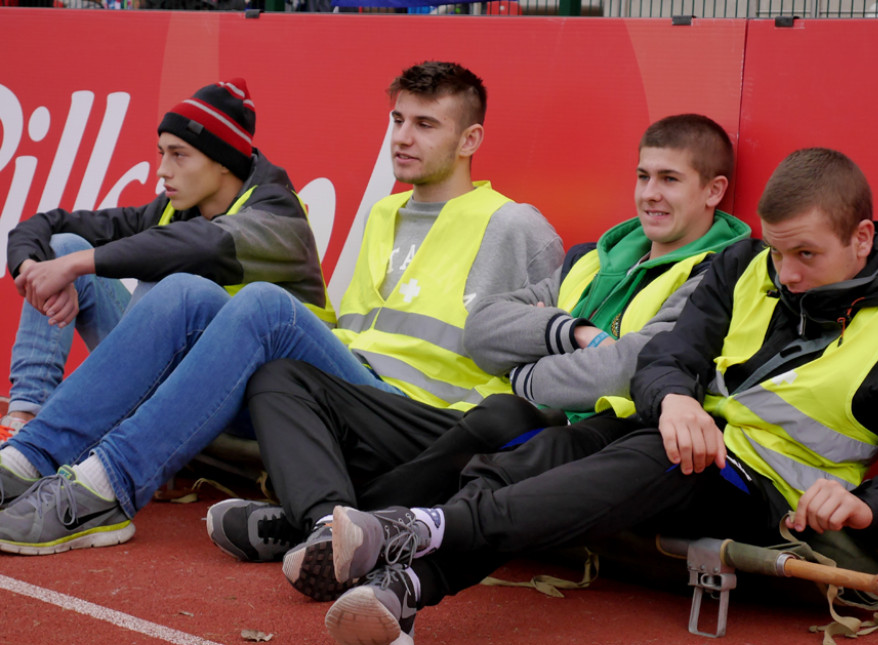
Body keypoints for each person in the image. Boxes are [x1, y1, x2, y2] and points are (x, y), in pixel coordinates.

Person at [315, 148, 878, 645]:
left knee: (663, 453)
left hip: (773, 501)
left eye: (807, 254)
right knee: (550, 447)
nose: (787, 273)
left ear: (861, 238)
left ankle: (413, 529)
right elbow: (664, 358)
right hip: (689, 449)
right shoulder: (744, 261)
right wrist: (677, 398)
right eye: (778, 251)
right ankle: (406, 587)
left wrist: (867, 506)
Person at [0, 61, 562, 555]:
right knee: (187, 291)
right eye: (398, 120)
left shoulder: (514, 224)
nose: (403, 138)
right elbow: (357, 330)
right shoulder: (384, 215)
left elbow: (548, 346)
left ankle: (106, 488)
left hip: (425, 418)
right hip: (346, 395)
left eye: (425, 124)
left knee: (265, 304)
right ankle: (29, 458)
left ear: (470, 140)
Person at [203, 114, 750, 604]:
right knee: (283, 377)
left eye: (670, 180)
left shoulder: (715, 276)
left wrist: (526, 369)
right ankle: (326, 523)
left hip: (572, 439)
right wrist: (573, 332)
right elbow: (483, 331)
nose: (650, 194)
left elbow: (628, 369)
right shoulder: (591, 256)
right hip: (470, 421)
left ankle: (327, 528)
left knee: (503, 416)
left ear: (714, 191)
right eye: (642, 176)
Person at [1, 78, 334, 441]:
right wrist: (33, 268)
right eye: (161, 152)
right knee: (63, 245)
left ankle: (60, 433)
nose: (162, 169)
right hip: (186, 382)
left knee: (164, 282)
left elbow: (205, 247)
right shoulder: (175, 208)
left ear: (222, 160)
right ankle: (23, 417)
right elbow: (48, 225)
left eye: (178, 154)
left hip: (262, 397)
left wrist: (76, 266)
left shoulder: (278, 212)